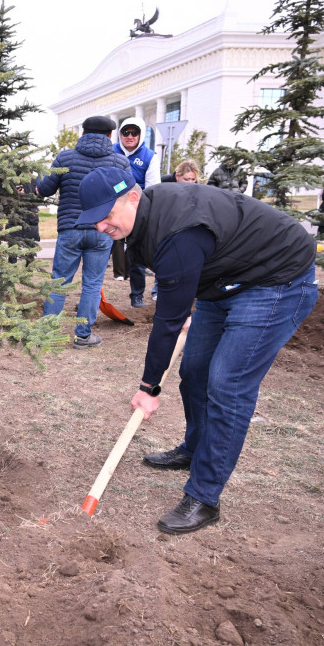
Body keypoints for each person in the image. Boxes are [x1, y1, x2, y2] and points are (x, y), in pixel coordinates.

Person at [77, 167, 318, 534]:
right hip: (221, 282)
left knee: (227, 384)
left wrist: (148, 388)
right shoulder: (143, 221)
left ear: (133, 197)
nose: (100, 227)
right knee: (194, 371)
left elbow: (167, 321)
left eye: (106, 217)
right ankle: (195, 448)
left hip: (275, 281)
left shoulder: (177, 232)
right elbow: (178, 289)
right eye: (94, 221)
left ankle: (205, 497)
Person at [34, 115, 132, 348]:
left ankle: (48, 334)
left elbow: (45, 189)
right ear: (110, 136)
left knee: (59, 281)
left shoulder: (65, 157)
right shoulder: (120, 162)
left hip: (70, 228)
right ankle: (84, 335)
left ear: (83, 133)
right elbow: (128, 195)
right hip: (102, 230)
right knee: (92, 283)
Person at [113, 118, 160, 308]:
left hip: (135, 211)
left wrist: (125, 187)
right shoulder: (111, 151)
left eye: (134, 133)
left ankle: (137, 295)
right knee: (100, 256)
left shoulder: (149, 156)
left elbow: (152, 188)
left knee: (136, 255)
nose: (130, 137)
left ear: (140, 135)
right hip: (108, 208)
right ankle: (94, 297)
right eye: (126, 132)